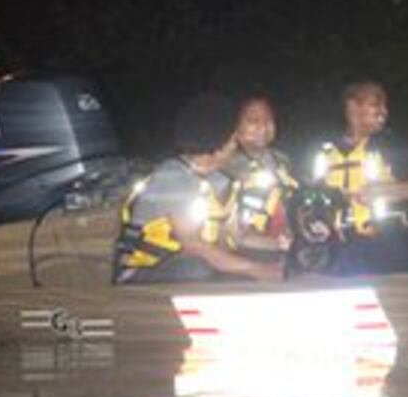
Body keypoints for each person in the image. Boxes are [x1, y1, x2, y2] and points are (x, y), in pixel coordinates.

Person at [114, 91, 285, 284]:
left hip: (189, 262)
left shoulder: (220, 180)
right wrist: (257, 270)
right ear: (218, 144)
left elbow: (238, 236)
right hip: (143, 272)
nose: (237, 144)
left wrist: (282, 246)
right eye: (233, 139)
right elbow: (193, 245)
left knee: (261, 262)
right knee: (197, 268)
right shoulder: (173, 177)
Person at [312, 80, 408, 275]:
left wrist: (384, 191)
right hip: (338, 251)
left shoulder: (392, 146)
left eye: (385, 105)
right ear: (352, 107)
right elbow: (312, 196)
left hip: (388, 247)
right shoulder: (325, 151)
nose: (384, 111)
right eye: (376, 104)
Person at [224, 95, 299, 252]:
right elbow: (229, 230)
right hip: (242, 253)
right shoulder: (224, 166)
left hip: (284, 247)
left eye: (268, 120)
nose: (263, 126)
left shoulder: (283, 161)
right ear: (236, 127)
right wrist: (274, 244)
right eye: (253, 120)